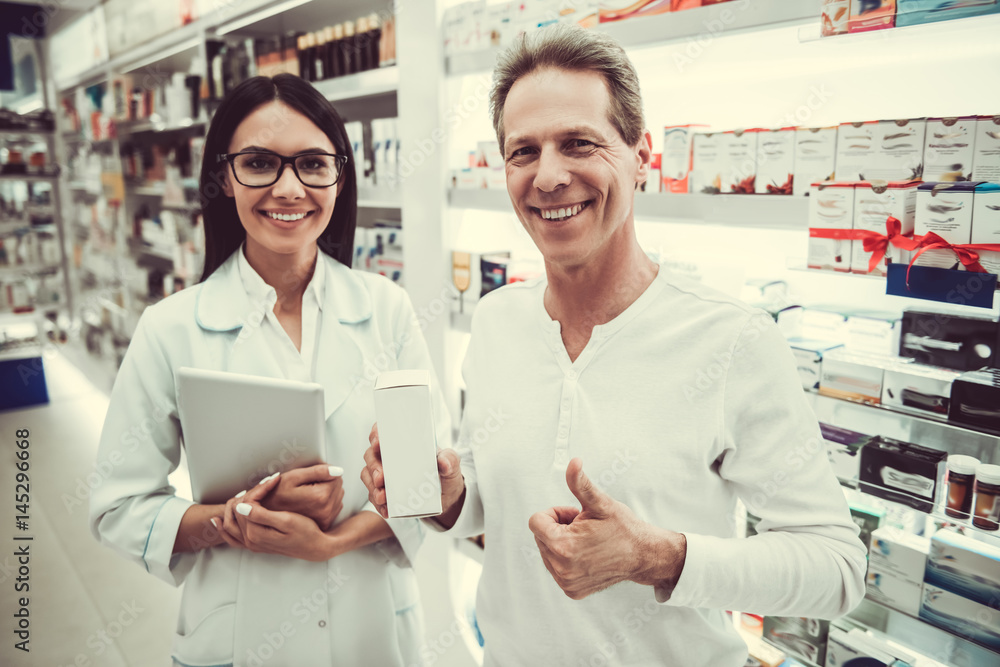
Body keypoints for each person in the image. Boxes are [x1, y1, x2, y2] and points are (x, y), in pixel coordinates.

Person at [362, 24, 867, 666]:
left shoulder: (733, 339)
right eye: (524, 151)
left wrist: (658, 557)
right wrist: (448, 496)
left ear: (641, 157)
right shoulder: (496, 320)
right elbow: (494, 498)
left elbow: (839, 567)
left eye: (579, 143)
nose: (548, 177)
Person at [89, 73, 450, 667]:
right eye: (259, 163)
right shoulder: (170, 327)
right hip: (238, 630)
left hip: (371, 624)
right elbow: (117, 507)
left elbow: (421, 487)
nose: (288, 188)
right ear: (224, 176)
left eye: (312, 164)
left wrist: (330, 543)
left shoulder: (386, 310)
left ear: (339, 175)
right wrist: (227, 523)